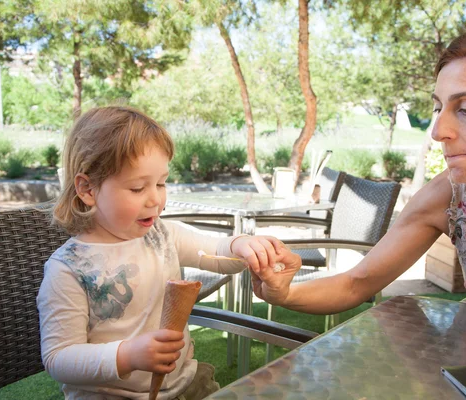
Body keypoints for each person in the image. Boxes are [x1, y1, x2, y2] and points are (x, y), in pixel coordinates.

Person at [250, 21, 466, 318]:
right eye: (438, 107)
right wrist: (285, 293)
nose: (439, 131)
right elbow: (355, 283)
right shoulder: (448, 197)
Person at [37, 106, 297, 400]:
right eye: (137, 188)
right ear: (88, 190)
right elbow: (59, 359)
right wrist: (128, 355)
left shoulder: (162, 235)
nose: (156, 199)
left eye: (161, 183)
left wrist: (242, 246)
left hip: (185, 384)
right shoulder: (68, 269)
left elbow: (215, 252)